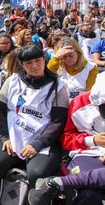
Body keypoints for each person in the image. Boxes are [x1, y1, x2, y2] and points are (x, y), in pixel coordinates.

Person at [0, 45, 69, 205]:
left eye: (38, 60)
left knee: (37, 173)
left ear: (44, 60)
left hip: (43, 140)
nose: (35, 66)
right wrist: (4, 137)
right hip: (13, 135)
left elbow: (58, 122)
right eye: (29, 63)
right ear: (22, 65)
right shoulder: (13, 81)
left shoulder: (58, 86)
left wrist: (37, 144)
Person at [29, 72, 105, 205]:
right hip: (88, 153)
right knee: (88, 195)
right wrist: (91, 140)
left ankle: (56, 183)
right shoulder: (80, 103)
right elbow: (65, 138)